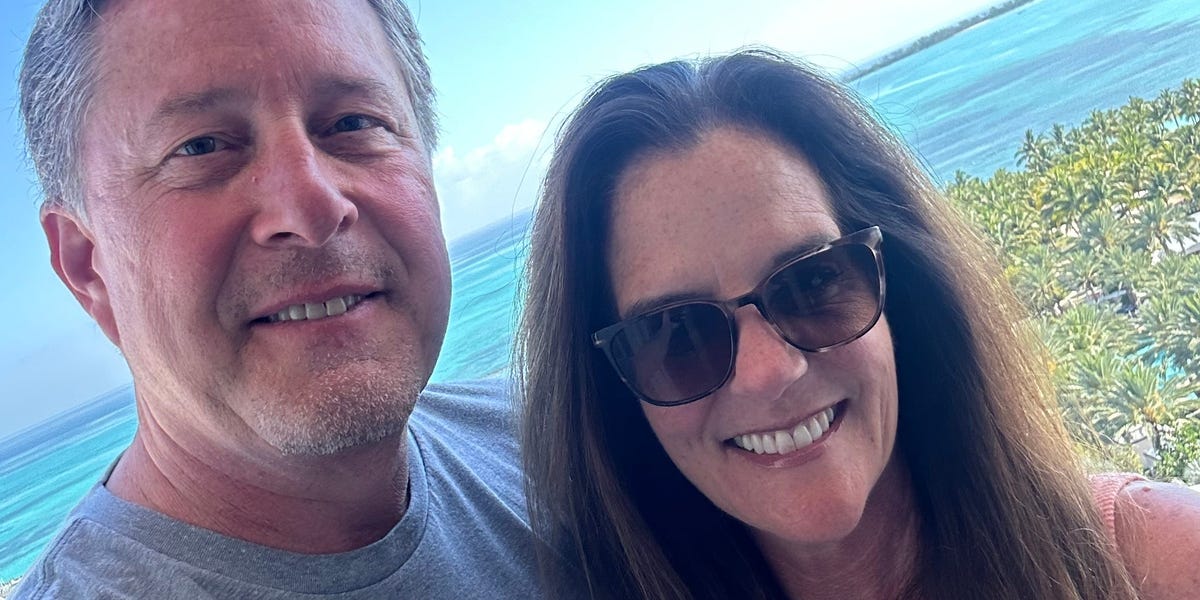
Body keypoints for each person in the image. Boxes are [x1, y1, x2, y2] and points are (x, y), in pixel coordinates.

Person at [517, 49, 1200, 599]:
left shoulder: (1158, 566)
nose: (769, 371)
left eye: (812, 282)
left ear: (898, 285)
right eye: (677, 334)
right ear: (616, 396)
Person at [12, 0, 546, 598]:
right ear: (89, 266)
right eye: (202, 146)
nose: (313, 207)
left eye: (354, 123)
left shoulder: (557, 446)